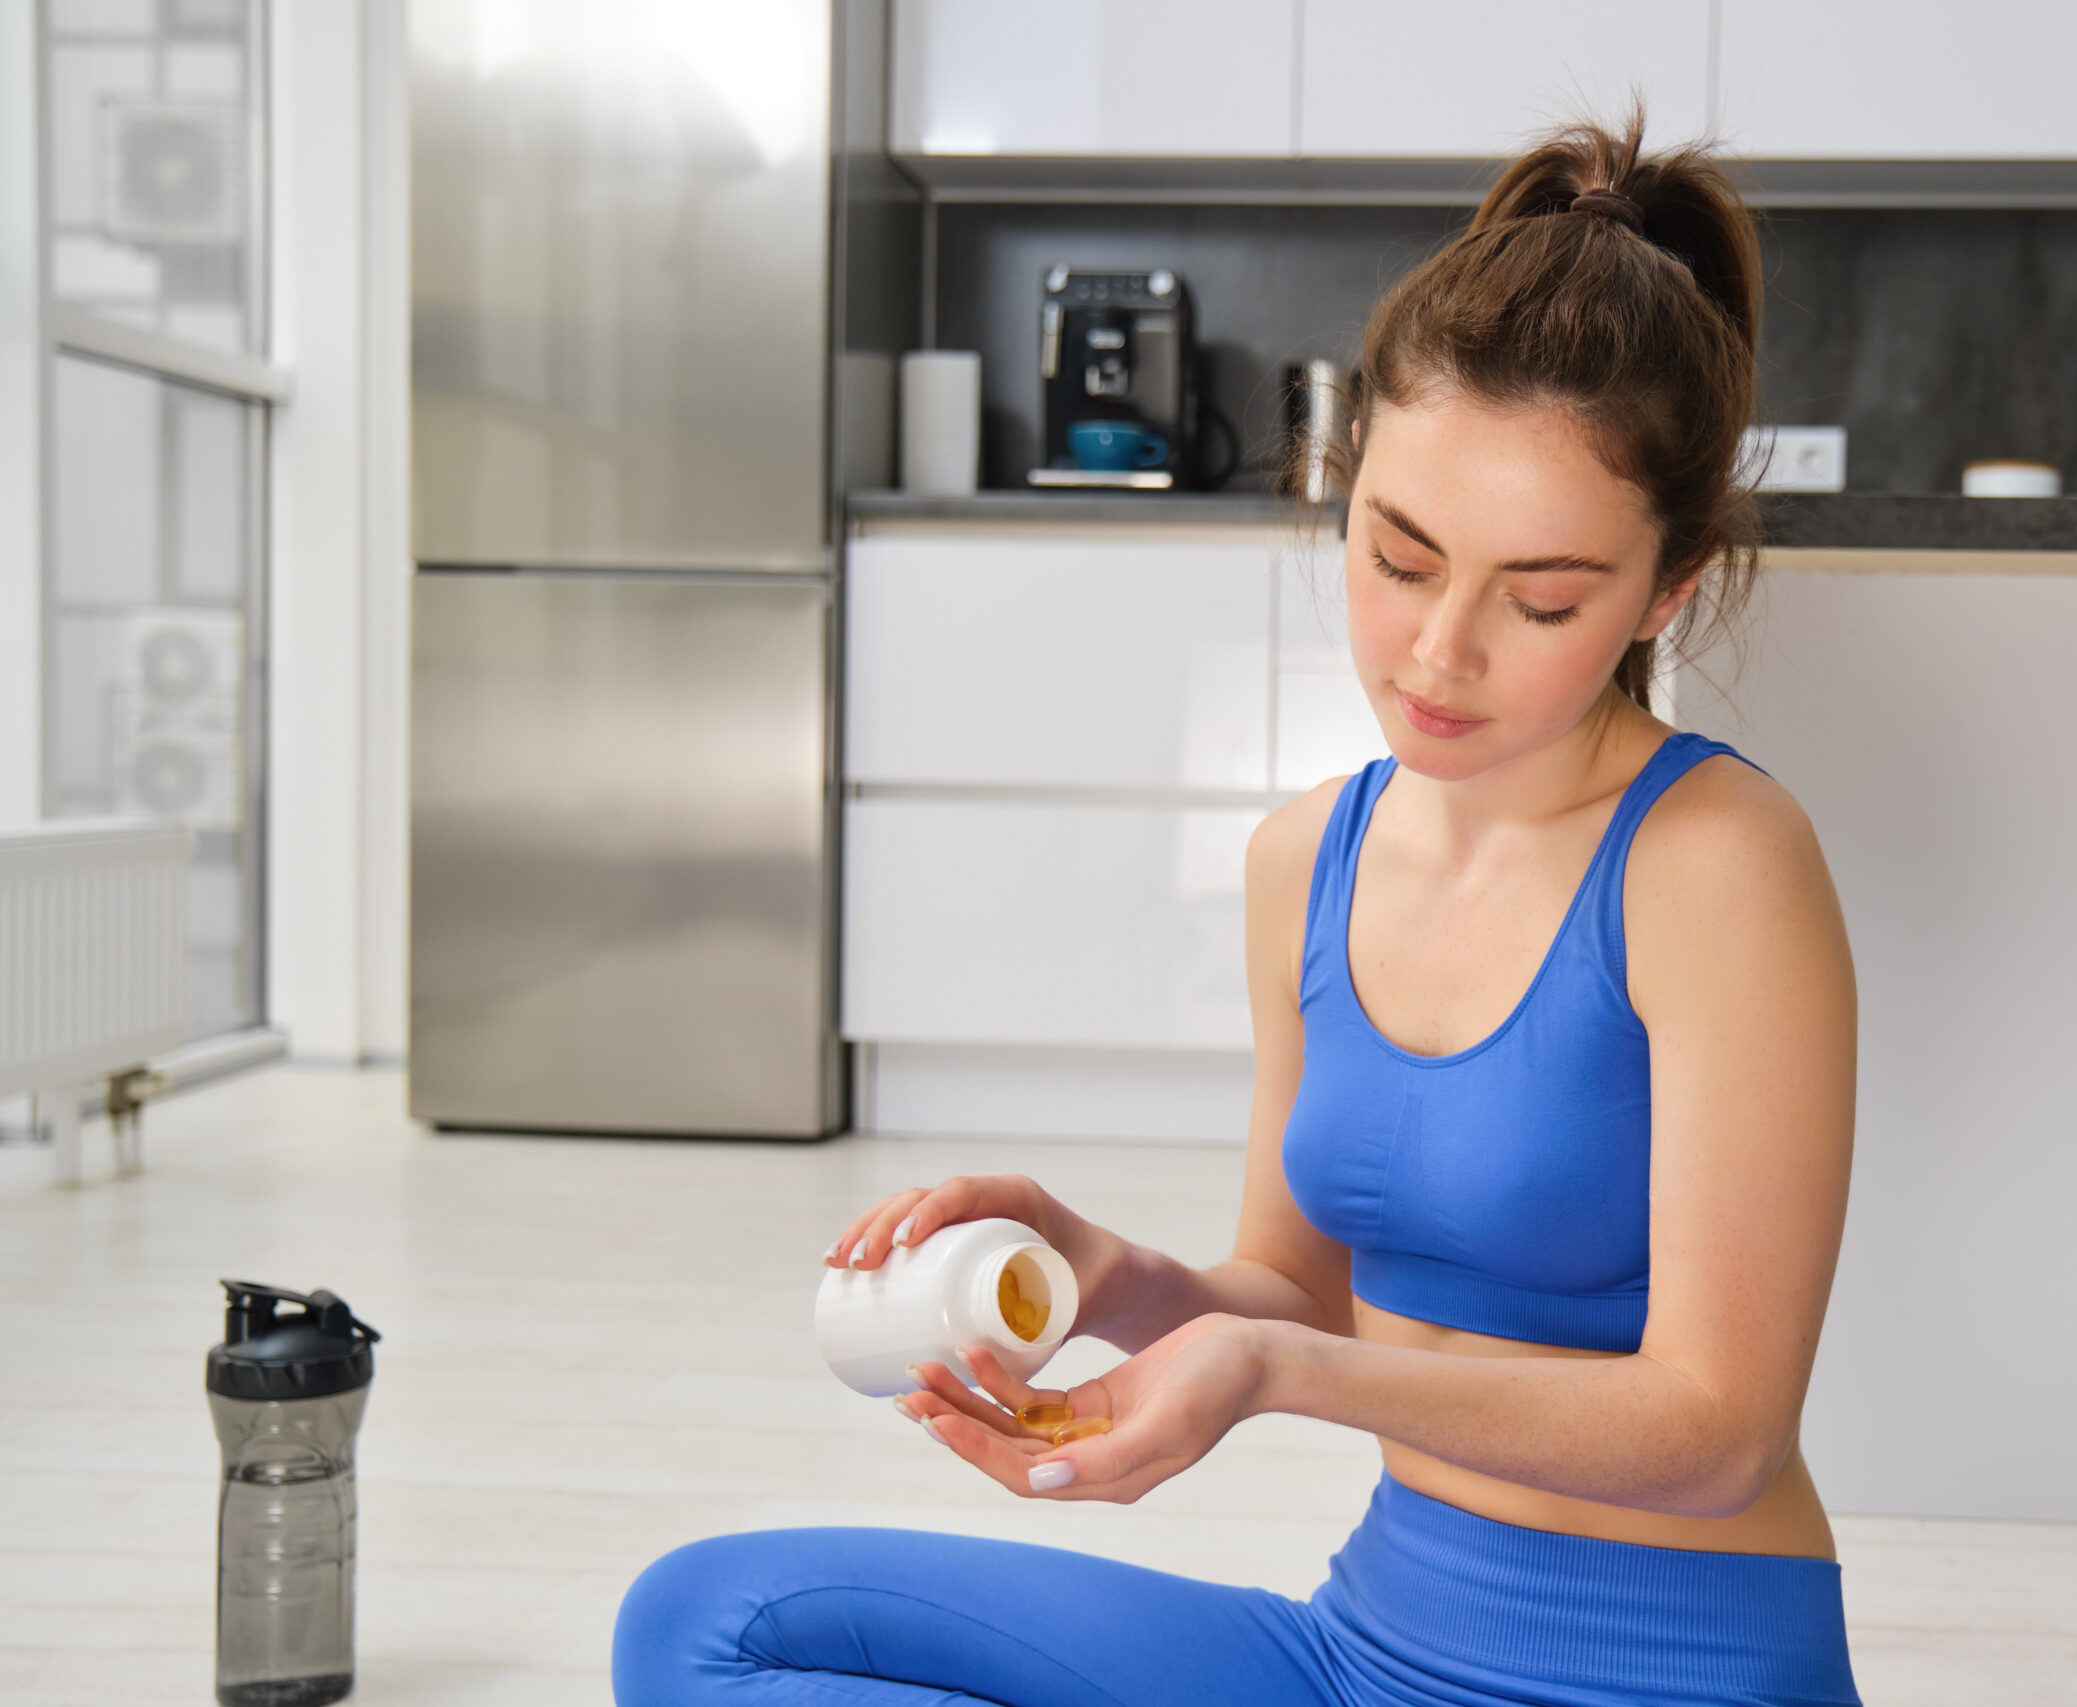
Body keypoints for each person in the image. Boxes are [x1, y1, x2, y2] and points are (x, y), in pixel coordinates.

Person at [614, 115, 1862, 1707]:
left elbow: (1717, 1430)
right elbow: (1297, 1290)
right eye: (1400, 558)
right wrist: (1108, 1278)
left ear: (1663, 591)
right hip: (1371, 1643)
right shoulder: (1308, 863)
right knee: (704, 1623)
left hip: (1668, 1670)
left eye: (1541, 600)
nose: (1439, 651)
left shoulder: (1717, 862)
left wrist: (1279, 1375)